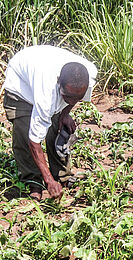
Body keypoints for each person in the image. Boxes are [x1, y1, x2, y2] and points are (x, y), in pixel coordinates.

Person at [3, 45, 97, 200]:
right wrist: (48, 180)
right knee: (24, 134)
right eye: (68, 97)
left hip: (42, 72)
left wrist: (65, 113)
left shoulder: (88, 75)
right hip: (20, 85)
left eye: (77, 98)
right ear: (58, 82)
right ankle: (33, 181)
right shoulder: (46, 94)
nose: (72, 101)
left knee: (59, 127)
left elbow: (74, 96)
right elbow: (34, 142)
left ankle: (62, 176)